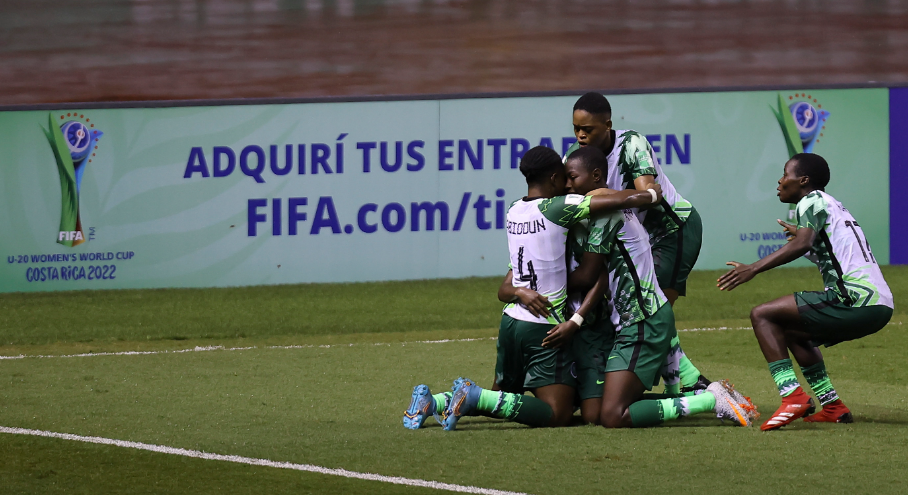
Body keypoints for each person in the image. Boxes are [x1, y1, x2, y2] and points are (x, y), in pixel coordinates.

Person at [406, 146, 662, 430]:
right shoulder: (559, 208)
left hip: (511, 320)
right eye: (565, 178)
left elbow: (506, 285)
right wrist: (650, 194)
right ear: (554, 178)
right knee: (558, 413)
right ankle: (473, 397)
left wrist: (520, 291)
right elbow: (605, 203)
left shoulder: (514, 210)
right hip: (543, 324)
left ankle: (435, 402)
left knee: (503, 398)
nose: (568, 185)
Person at [562, 147, 757, 428]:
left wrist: (538, 282)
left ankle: (711, 399)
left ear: (595, 177)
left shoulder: (607, 214)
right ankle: (699, 392)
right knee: (604, 409)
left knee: (612, 416)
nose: (568, 185)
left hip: (643, 322)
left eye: (572, 177)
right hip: (637, 321)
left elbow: (588, 275)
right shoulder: (612, 204)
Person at [717, 153, 893, 431]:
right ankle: (833, 406)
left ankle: (792, 397)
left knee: (762, 315)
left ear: (803, 180)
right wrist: (808, 240)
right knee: (794, 331)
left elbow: (801, 245)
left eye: (785, 173)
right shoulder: (832, 205)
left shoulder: (810, 201)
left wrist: (753, 268)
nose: (779, 180)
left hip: (856, 300)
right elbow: (829, 251)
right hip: (878, 305)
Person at [565, 92, 708, 393]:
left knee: (652, 307)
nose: (580, 135)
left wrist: (604, 197)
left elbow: (649, 192)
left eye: (588, 129)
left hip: (673, 231)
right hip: (639, 239)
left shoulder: (631, 144)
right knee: (647, 306)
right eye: (576, 128)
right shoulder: (576, 159)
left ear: (608, 124)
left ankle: (686, 379)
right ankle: (681, 382)